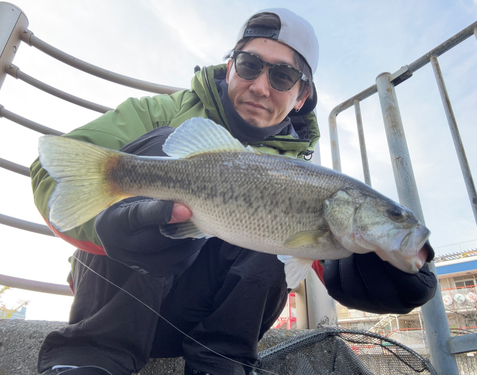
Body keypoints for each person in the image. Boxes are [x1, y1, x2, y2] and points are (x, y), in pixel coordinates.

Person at [30, 8, 437, 375]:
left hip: (201, 322)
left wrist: (361, 272)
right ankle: (88, 358)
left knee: (276, 217)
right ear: (229, 68)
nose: (261, 86)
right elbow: (52, 175)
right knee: (159, 145)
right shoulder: (156, 112)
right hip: (114, 309)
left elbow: (308, 260)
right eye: (249, 65)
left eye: (282, 76)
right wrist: (105, 229)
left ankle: (220, 362)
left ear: (302, 96)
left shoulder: (308, 180)